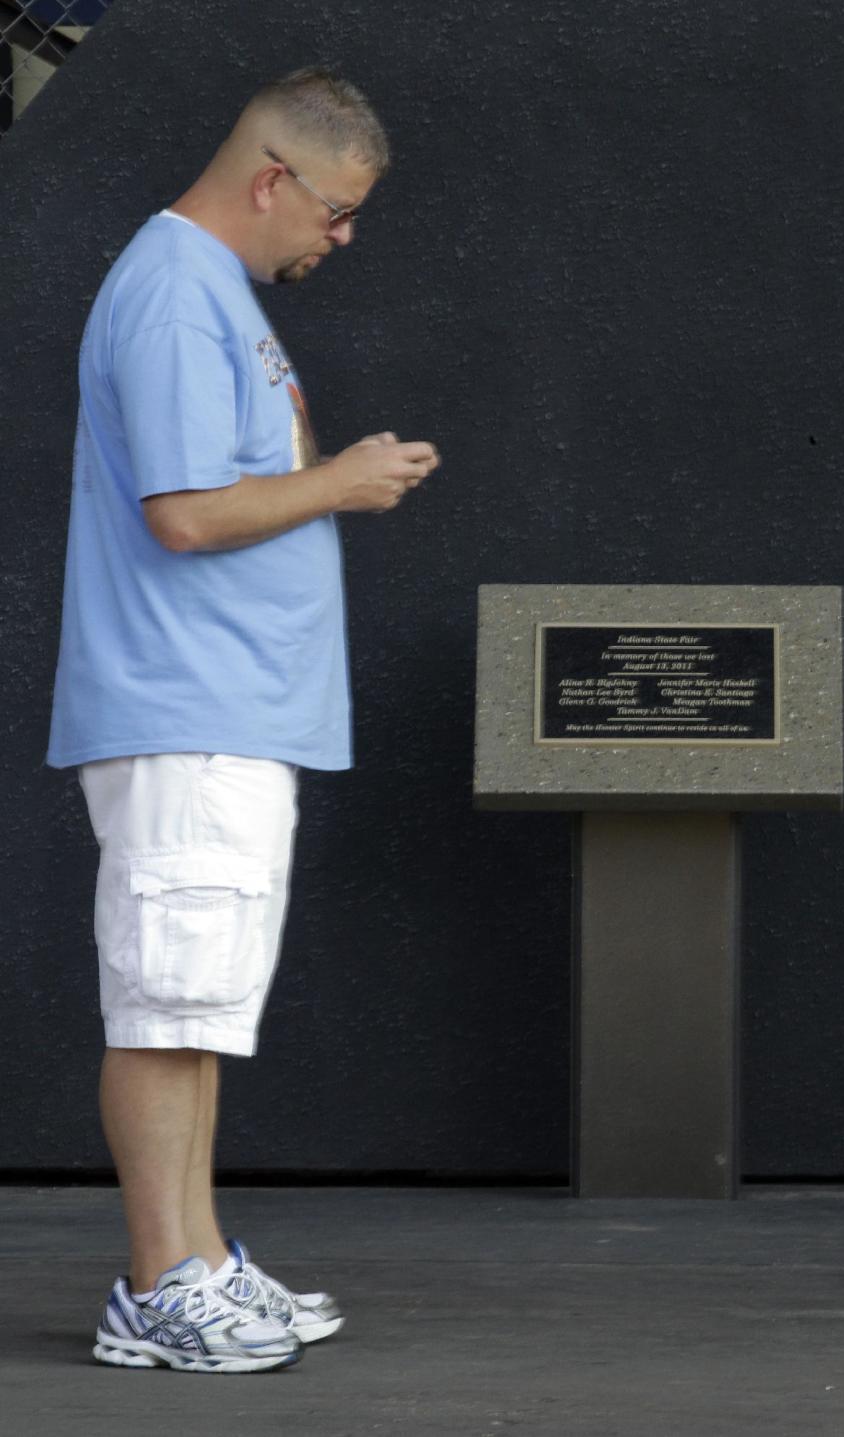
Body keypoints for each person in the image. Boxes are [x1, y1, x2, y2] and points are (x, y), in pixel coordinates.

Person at [46, 65, 441, 1374]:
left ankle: (199, 1260)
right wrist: (336, 481)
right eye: (333, 212)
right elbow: (184, 511)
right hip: (186, 706)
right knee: (167, 1003)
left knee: (199, 1002)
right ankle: (160, 1284)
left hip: (224, 711)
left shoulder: (209, 294)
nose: (340, 239)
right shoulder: (171, 293)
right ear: (272, 178)